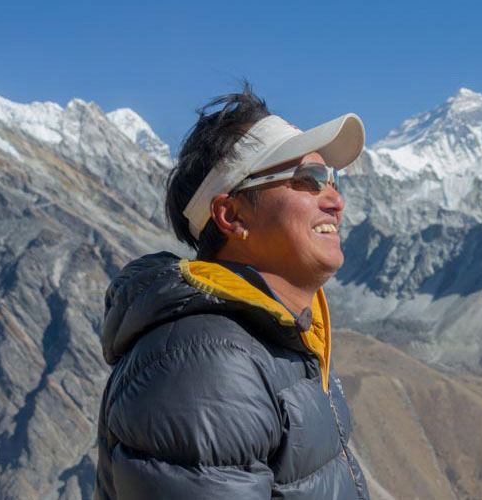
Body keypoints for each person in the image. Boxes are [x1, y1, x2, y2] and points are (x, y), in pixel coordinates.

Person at [95, 86, 371, 499]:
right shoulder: (206, 367)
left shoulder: (281, 339)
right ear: (231, 215)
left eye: (331, 178)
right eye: (309, 180)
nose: (335, 199)